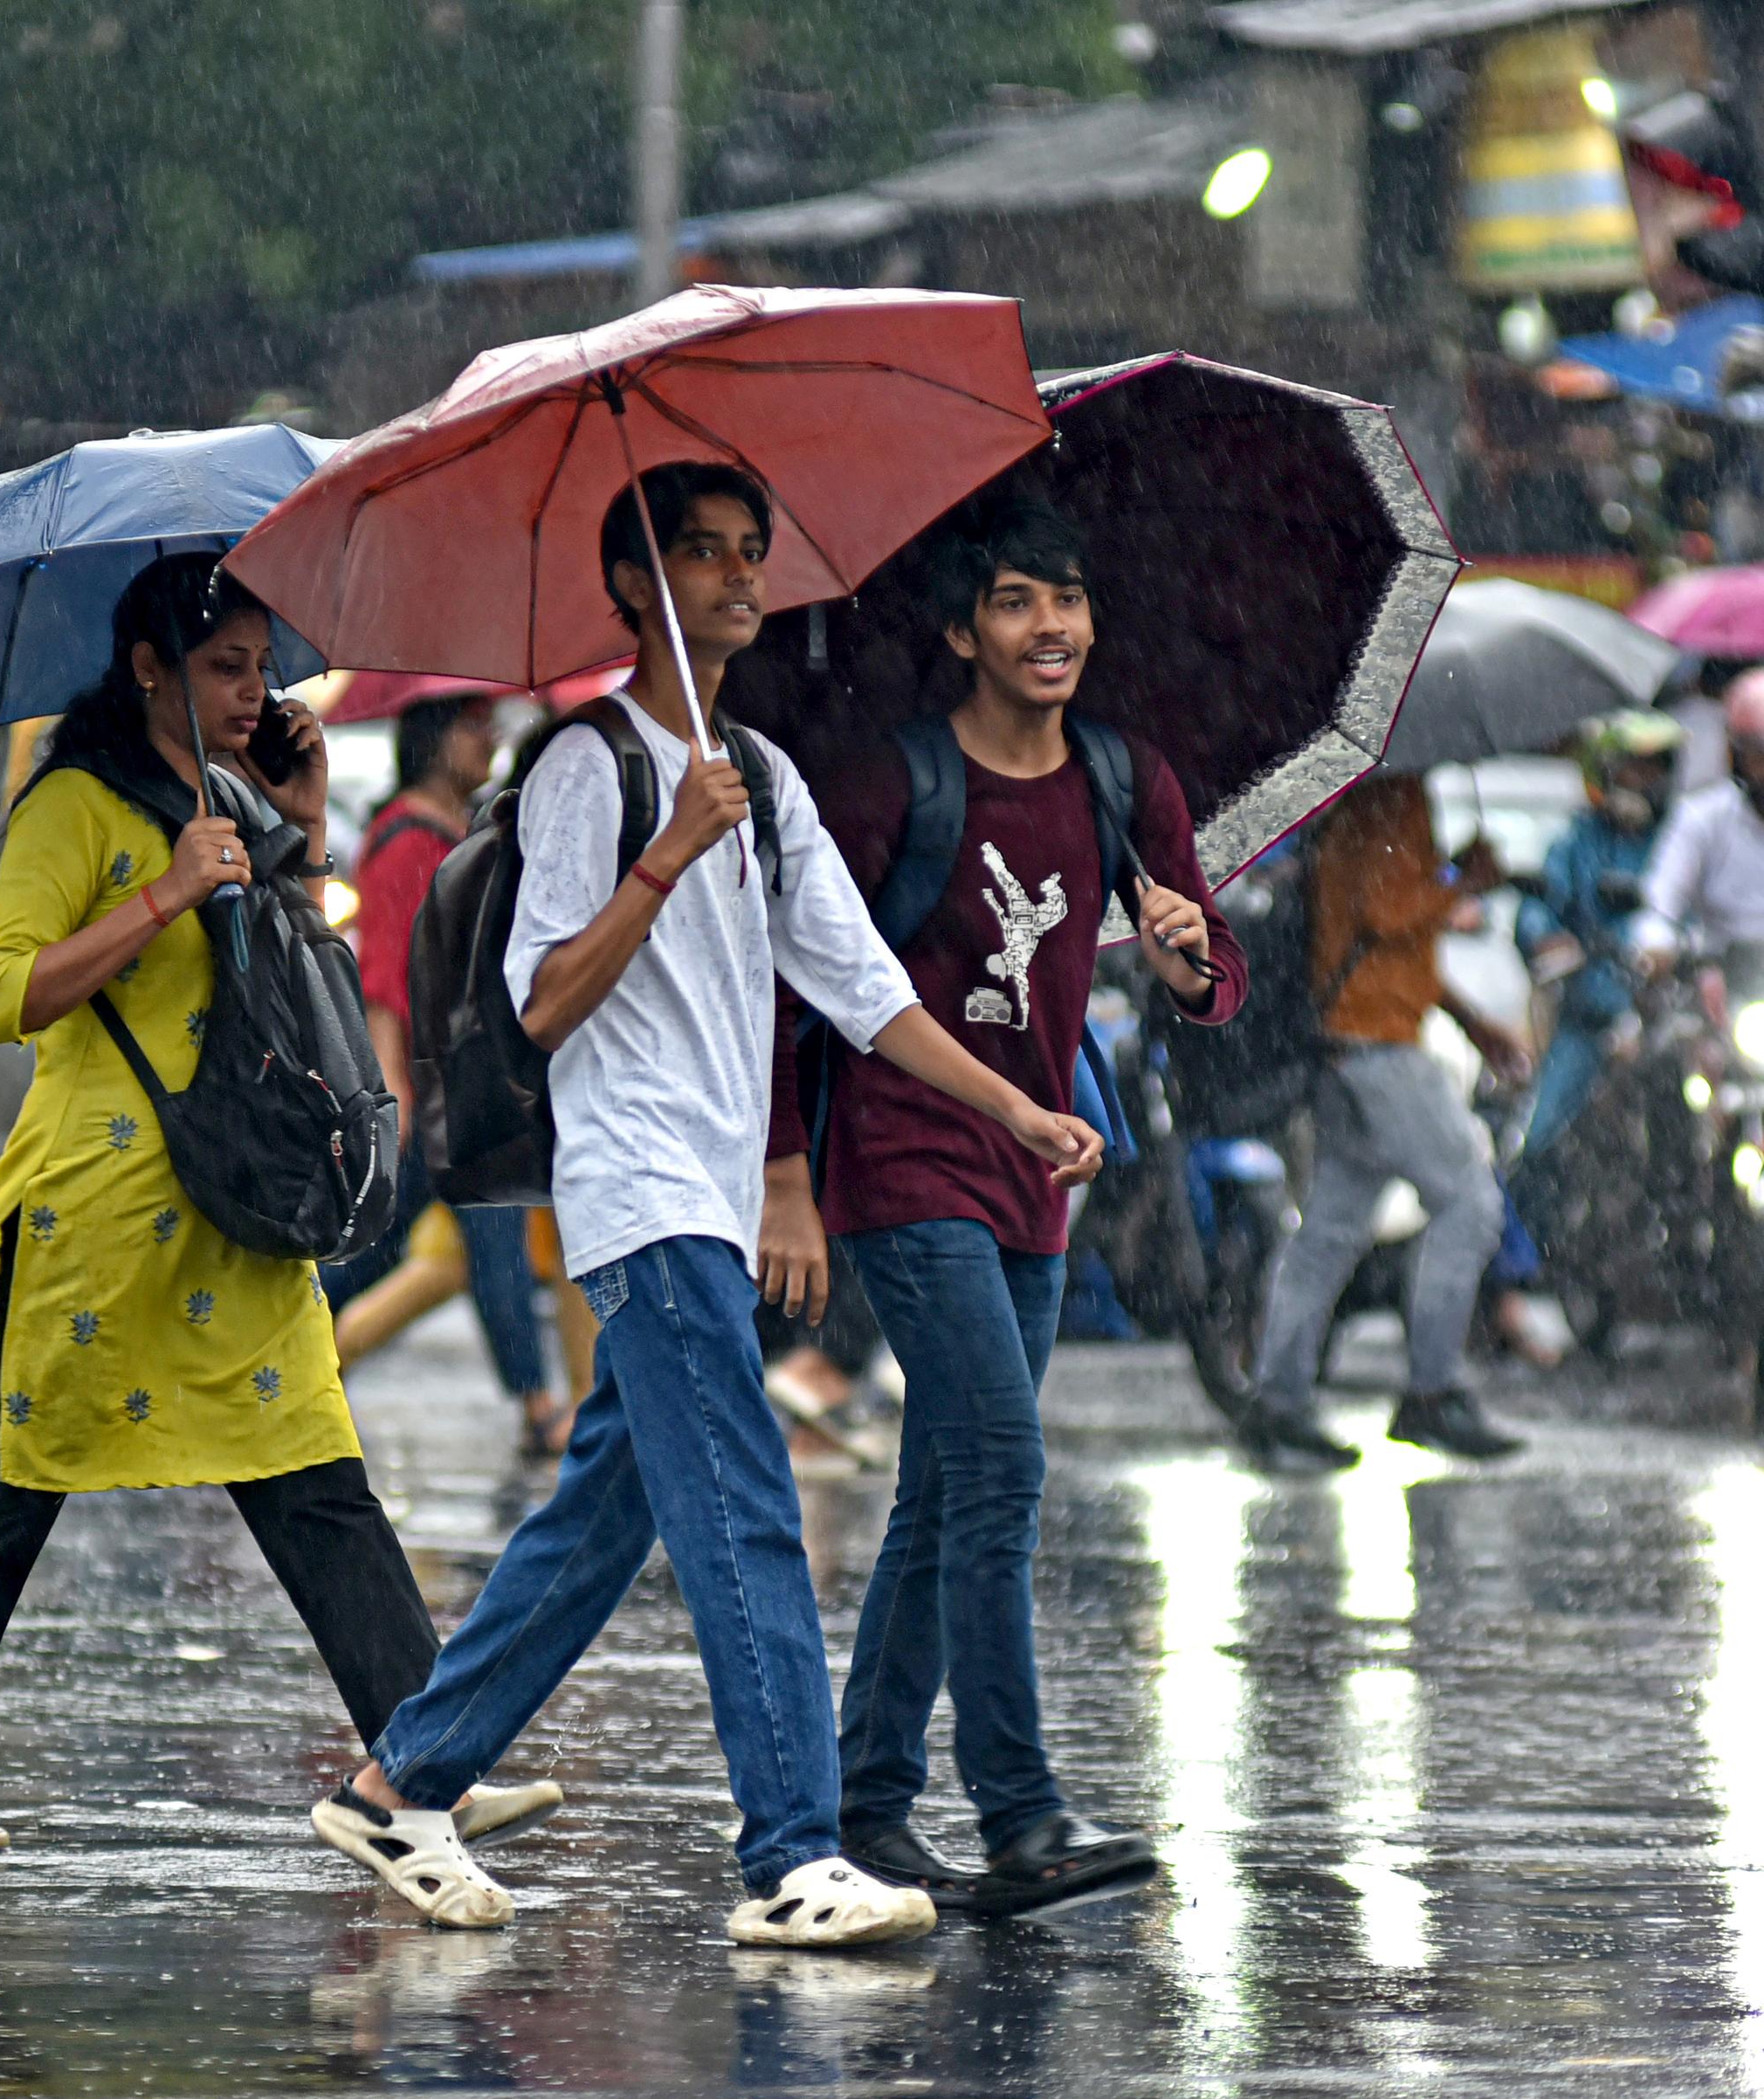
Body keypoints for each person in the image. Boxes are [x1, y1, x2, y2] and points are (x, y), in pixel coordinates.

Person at [314, 463, 1103, 1948]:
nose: (739, 577)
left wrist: (1014, 1108)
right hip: (640, 1188)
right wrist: (667, 851)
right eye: (702, 554)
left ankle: (401, 1780)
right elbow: (542, 999)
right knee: (746, 1509)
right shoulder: (587, 769)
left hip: (716, 1194)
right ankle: (793, 1851)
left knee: (605, 1517)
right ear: (634, 586)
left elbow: (865, 990)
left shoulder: (764, 777)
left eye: (751, 552)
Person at [0, 554, 556, 1856]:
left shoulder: (229, 795)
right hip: (96, 1201)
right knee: (14, 1461)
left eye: (262, 666)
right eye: (225, 666)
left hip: (231, 1191)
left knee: (311, 1457)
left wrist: (300, 832)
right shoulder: (73, 806)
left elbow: (288, 969)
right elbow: (7, 996)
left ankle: (421, 1751)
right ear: (149, 666)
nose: (254, 689)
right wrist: (160, 893)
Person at [766, 495, 1243, 1913]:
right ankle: (1021, 1809)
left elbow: (1218, 985)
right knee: (1000, 1463)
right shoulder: (890, 786)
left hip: (1043, 1163)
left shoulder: (1124, 779)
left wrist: (1184, 954)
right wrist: (785, 1173)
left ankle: (867, 1798)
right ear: (963, 631)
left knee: (945, 1482)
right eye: (1019, 601)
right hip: (905, 1154)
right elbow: (798, 985)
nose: (1053, 627)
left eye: (1070, 599)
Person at [1247, 775, 1531, 1468]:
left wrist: (1470, 1021)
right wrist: (1466, 878)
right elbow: (1387, 910)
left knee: (1329, 1231)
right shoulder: (1390, 797)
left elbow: (1387, 946)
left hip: (1347, 1042)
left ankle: (1277, 1404)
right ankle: (1432, 1392)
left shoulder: (1355, 798)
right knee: (1468, 1204)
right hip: (1378, 1049)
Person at [333, 687, 570, 1456]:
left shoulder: (459, 828)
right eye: (473, 726)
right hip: (433, 1082)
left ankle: (283, 1348)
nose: (488, 738)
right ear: (434, 738)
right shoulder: (407, 838)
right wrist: (392, 1088)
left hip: (466, 1074)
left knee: (396, 1244)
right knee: (477, 1237)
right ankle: (539, 1406)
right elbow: (386, 974)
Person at [1512, 710, 1683, 1175]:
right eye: (1632, 767)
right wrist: (1545, 938)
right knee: (1538, 1141)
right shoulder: (1577, 840)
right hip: (1592, 1018)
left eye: (1654, 767)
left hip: (1671, 1022)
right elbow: (1541, 904)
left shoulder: (1682, 837)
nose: (1642, 779)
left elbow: (1704, 909)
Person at [1635, 667, 1764, 967]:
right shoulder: (1701, 815)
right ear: (1736, 756)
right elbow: (1661, 903)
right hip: (1721, 977)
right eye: (1762, 755)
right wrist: (1656, 945)